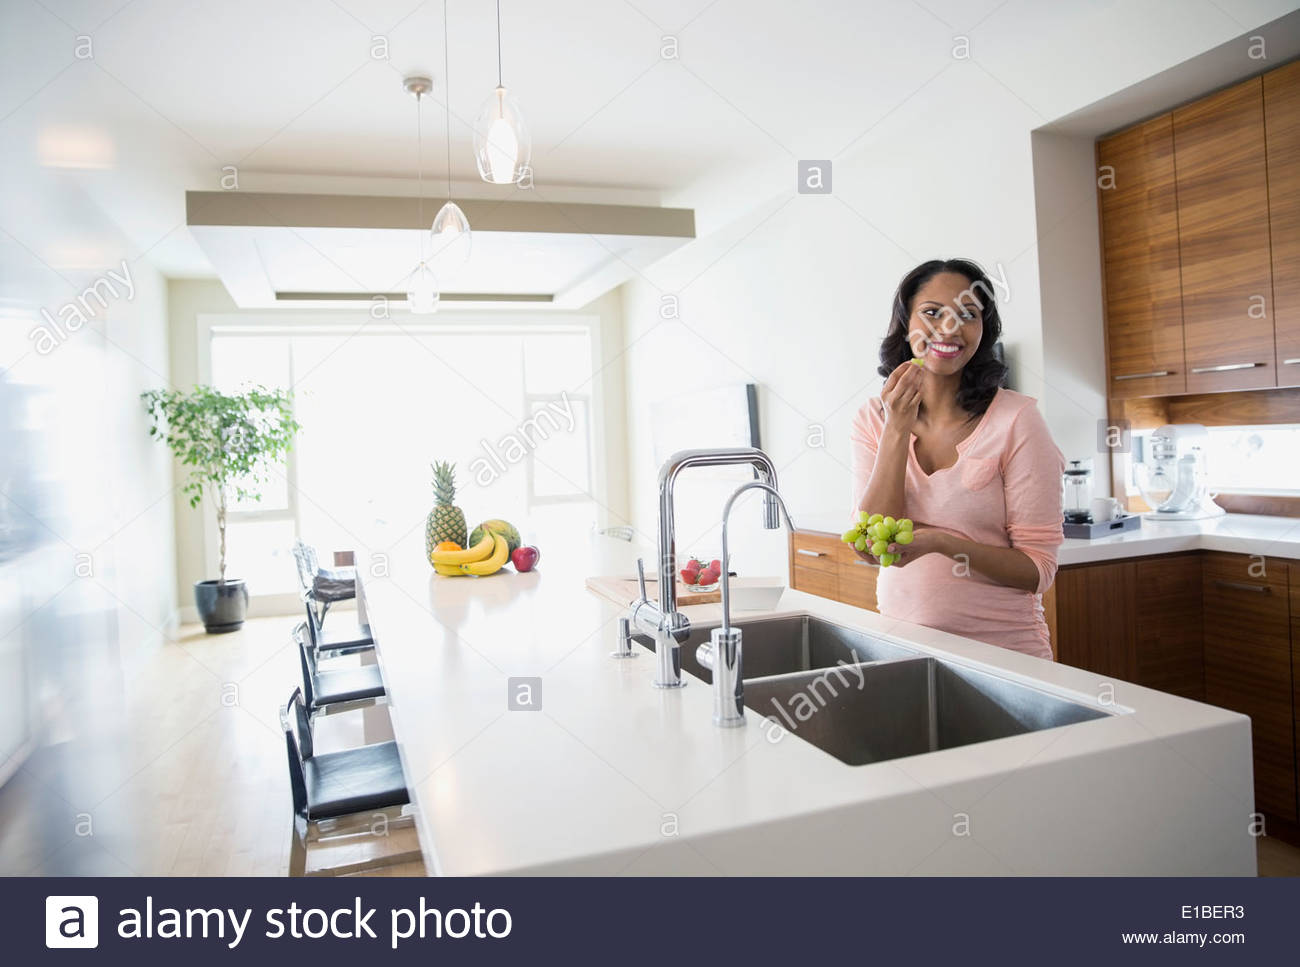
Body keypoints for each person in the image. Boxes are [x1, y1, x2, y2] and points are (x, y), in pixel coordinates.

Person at [849, 258, 1064, 659]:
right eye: (932, 312)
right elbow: (867, 546)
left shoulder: (1017, 419)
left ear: (984, 331)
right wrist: (896, 428)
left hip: (1004, 653)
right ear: (905, 323)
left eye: (968, 314)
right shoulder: (872, 419)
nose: (949, 328)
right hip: (901, 650)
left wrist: (943, 544)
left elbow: (1038, 571)